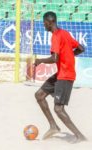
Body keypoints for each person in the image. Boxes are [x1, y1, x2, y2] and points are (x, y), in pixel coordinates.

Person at [34, 11, 86, 143]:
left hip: (66, 75)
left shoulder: (56, 36)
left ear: (49, 22)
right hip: (61, 73)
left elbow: (54, 58)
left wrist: (40, 61)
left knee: (58, 109)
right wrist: (68, 56)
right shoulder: (65, 33)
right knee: (39, 95)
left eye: (44, 23)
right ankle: (53, 126)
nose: (43, 25)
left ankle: (80, 136)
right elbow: (81, 48)